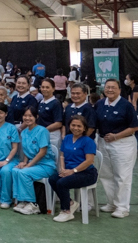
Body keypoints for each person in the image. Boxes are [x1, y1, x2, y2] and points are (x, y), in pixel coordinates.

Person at [94, 78, 138, 218]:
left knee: (122, 176)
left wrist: (116, 136)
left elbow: (135, 126)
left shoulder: (126, 105)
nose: (110, 90)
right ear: (104, 89)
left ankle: (122, 207)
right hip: (103, 143)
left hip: (123, 144)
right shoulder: (100, 104)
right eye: (107, 87)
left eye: (113, 87)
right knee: (106, 175)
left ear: (119, 89)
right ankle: (112, 203)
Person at [49, 115, 98, 222]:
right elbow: (62, 155)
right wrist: (62, 169)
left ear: (84, 128)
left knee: (62, 183)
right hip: (70, 171)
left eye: (79, 126)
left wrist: (73, 171)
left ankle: (66, 211)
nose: (76, 128)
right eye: (73, 125)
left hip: (87, 173)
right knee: (53, 179)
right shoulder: (67, 138)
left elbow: (89, 161)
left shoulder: (88, 141)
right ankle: (71, 203)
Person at [11, 107, 58, 215]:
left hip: (46, 165)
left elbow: (42, 152)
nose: (27, 118)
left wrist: (29, 165)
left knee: (23, 173)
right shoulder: (24, 132)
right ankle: (23, 201)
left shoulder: (43, 131)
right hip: (33, 164)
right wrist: (24, 162)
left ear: (36, 117)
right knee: (15, 170)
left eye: (30, 116)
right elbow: (27, 151)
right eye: (25, 116)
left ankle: (33, 204)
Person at [38, 78, 64, 149]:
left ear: (53, 89)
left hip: (52, 135)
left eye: (47, 87)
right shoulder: (41, 102)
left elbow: (58, 123)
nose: (44, 89)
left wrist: (44, 130)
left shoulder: (56, 103)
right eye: (43, 87)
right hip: (41, 134)